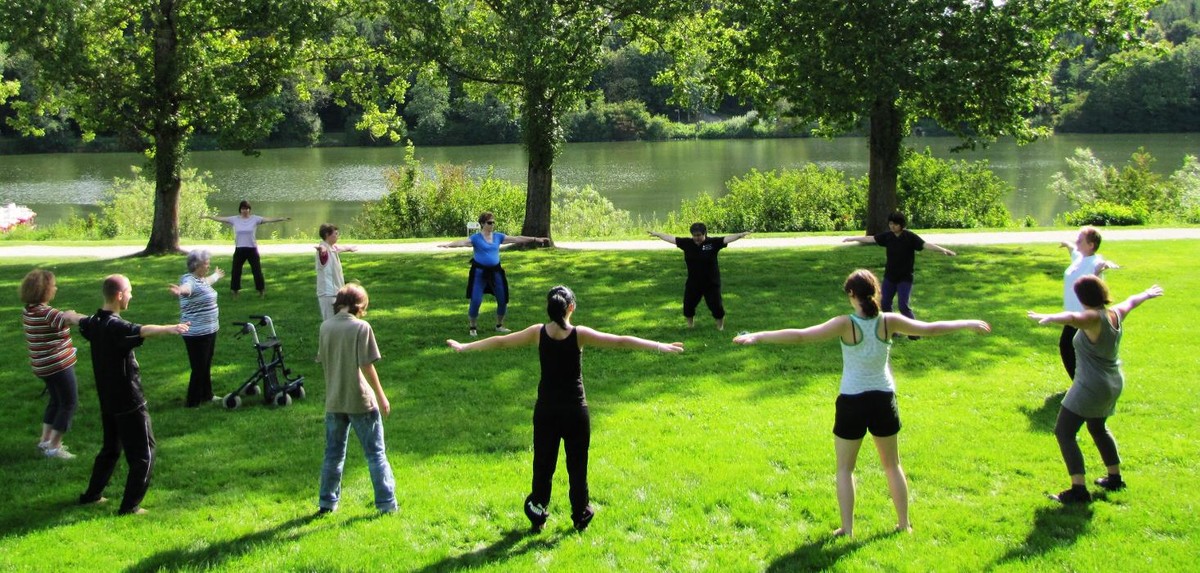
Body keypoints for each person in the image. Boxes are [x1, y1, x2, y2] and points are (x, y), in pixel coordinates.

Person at [733, 269, 990, 537]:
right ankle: (904, 525)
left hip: (852, 401)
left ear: (851, 294)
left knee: (845, 469)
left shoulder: (846, 324)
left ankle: (847, 528)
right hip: (883, 400)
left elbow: (801, 335)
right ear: (875, 292)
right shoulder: (888, 321)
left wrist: (759, 335)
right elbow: (930, 328)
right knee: (892, 465)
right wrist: (967, 322)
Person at [446, 285, 684, 532]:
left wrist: (466, 346)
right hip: (575, 412)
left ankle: (537, 512)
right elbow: (620, 341)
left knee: (543, 466)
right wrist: (658, 345)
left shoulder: (537, 333)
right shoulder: (579, 334)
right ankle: (580, 515)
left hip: (546, 411)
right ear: (571, 308)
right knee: (577, 467)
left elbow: (501, 342)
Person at [1027, 277, 1162, 504]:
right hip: (1112, 382)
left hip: (1090, 385)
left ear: (1082, 298)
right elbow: (1131, 301)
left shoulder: (1093, 318)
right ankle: (1114, 478)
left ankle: (1078, 490)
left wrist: (1050, 317)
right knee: (1098, 427)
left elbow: (1073, 317)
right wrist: (1147, 293)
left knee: (1064, 432)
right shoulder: (1115, 313)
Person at [78, 274, 190, 515]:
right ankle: (130, 507)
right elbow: (142, 331)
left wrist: (64, 315)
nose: (131, 295)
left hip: (107, 400)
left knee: (110, 448)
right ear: (119, 296)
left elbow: (77, 319)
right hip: (129, 401)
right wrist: (171, 328)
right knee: (144, 453)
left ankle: (92, 495)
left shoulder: (95, 322)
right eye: (129, 291)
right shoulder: (116, 327)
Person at [316, 283, 396, 515]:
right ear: (359, 306)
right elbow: (366, 365)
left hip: (334, 400)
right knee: (375, 453)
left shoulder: (325, 327)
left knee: (333, 454)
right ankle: (386, 503)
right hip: (360, 400)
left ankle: (327, 502)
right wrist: (381, 397)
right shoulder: (361, 327)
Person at [842, 212, 955, 340]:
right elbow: (871, 239)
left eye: (895, 224)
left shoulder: (910, 237)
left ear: (901, 225)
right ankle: (892, 330)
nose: (892, 227)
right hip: (890, 277)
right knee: (885, 304)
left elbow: (925, 245)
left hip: (905, 278)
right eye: (890, 224)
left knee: (903, 306)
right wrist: (852, 238)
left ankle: (914, 333)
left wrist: (943, 250)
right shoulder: (888, 237)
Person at [439, 211, 549, 337]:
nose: (492, 225)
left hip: (496, 272)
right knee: (476, 300)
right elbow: (462, 242)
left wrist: (535, 239)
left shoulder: (498, 237)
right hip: (479, 273)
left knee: (503, 299)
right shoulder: (476, 238)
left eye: (493, 222)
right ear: (482, 224)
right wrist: (448, 245)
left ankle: (499, 325)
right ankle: (473, 327)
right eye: (489, 223)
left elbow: (517, 238)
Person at [21, 269, 85, 460]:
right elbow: (68, 319)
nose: (55, 288)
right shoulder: (48, 313)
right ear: (45, 291)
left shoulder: (29, 310)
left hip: (42, 367)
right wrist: (82, 317)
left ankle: (45, 440)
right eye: (53, 285)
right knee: (69, 402)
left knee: (56, 401)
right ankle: (55, 446)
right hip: (58, 367)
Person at [648, 223, 750, 330]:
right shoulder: (687, 243)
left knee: (716, 306)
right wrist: (658, 234)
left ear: (704, 233)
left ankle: (720, 327)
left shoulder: (712, 243)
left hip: (711, 282)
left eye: (699, 235)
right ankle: (690, 326)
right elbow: (672, 238)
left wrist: (740, 235)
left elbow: (727, 239)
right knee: (688, 305)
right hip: (693, 282)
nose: (697, 238)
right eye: (694, 235)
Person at [1055, 226, 1118, 381]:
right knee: (1068, 347)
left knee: (1070, 348)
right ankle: (1081, 382)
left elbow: (1103, 263)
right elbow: (1073, 250)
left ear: (1091, 245)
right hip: (1072, 314)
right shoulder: (1079, 258)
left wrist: (1107, 265)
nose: (1077, 241)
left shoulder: (1095, 261)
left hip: (1085, 315)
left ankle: (1083, 383)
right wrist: (1067, 244)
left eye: (1080, 240)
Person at [168, 250, 225, 407]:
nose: (208, 266)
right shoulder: (190, 280)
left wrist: (216, 275)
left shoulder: (200, 280)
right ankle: (192, 402)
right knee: (199, 367)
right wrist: (180, 291)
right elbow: (186, 289)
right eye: (206, 264)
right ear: (196, 266)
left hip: (210, 330)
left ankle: (207, 395)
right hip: (197, 333)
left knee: (205, 364)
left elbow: (207, 281)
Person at [203, 200, 289, 298]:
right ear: (240, 209)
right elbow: (221, 219)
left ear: (250, 210)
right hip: (239, 249)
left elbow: (268, 219)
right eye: (244, 208)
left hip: (252, 249)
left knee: (257, 271)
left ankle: (261, 291)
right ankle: (235, 292)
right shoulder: (234, 219)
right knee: (236, 271)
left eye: (247, 208)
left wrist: (281, 219)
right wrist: (208, 216)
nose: (245, 210)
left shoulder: (255, 219)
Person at [315, 223, 358, 321]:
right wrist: (322, 251)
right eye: (335, 233)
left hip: (336, 293)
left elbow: (339, 248)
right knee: (330, 322)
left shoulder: (332, 248)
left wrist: (349, 248)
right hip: (328, 294)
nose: (337, 236)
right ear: (327, 235)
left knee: (340, 321)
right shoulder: (324, 249)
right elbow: (324, 253)